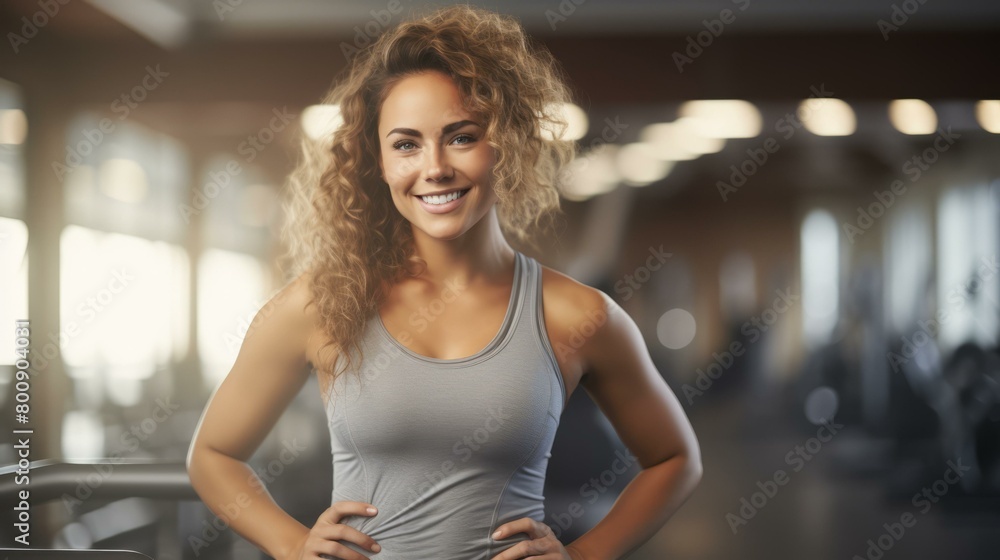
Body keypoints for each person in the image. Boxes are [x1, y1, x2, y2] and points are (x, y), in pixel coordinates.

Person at [186, 5, 702, 559]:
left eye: (461, 137)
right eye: (406, 144)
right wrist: (291, 545)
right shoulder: (324, 303)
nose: (434, 167)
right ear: (378, 162)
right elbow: (213, 455)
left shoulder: (576, 315)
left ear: (503, 143)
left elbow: (675, 460)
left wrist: (581, 557)